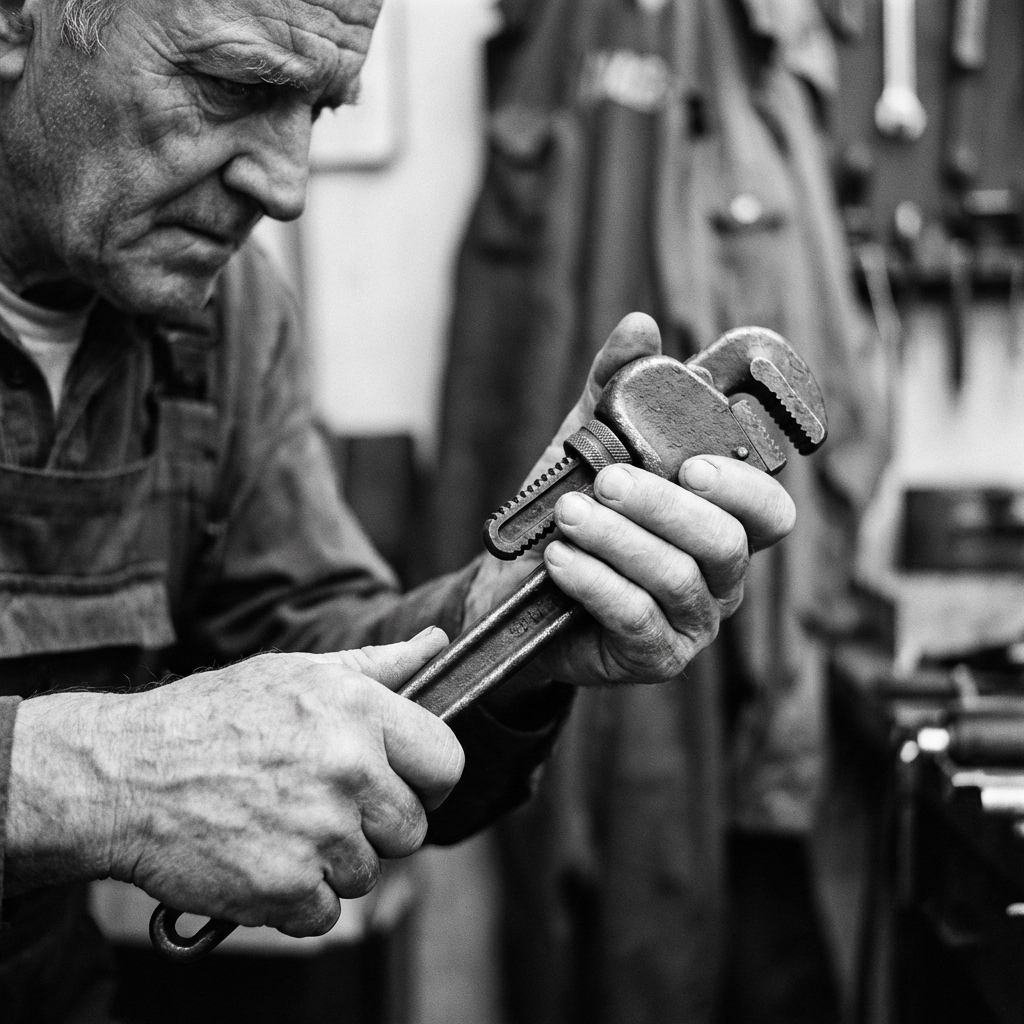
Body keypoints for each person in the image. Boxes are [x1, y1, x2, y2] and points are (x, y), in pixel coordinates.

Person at [0, 0, 795, 1019]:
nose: (286, 189)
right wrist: (97, 775)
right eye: (232, 87)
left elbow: (315, 651)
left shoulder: (227, 316)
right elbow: (124, 771)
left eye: (318, 111)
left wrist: (508, 615)